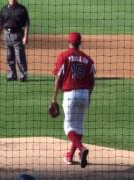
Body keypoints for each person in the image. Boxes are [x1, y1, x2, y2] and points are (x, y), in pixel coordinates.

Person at [52, 32, 95, 168]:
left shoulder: (64, 56)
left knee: (68, 127)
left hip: (70, 94)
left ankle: (81, 148)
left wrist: (54, 98)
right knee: (79, 126)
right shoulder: (88, 59)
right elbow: (92, 81)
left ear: (68, 42)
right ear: (80, 42)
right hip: (84, 94)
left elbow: (58, 78)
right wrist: (88, 97)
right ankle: (70, 156)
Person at [0, 0, 30, 82]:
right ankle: (11, 75)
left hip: (18, 35)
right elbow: (0, 23)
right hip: (6, 35)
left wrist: (26, 36)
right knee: (9, 56)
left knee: (20, 57)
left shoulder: (22, 9)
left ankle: (22, 76)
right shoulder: (3, 9)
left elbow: (27, 24)